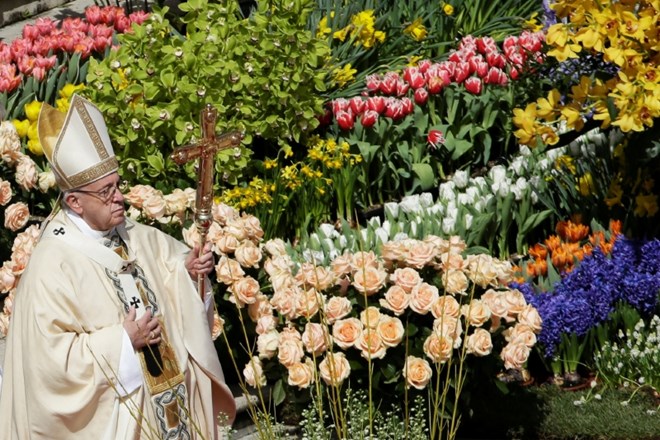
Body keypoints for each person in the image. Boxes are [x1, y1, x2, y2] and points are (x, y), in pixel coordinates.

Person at [0, 94, 236, 439]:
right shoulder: (51, 267)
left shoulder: (137, 236)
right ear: (75, 202)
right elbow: (48, 366)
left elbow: (173, 280)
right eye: (106, 192)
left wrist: (188, 273)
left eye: (117, 186)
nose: (120, 198)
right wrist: (123, 342)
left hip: (172, 411)